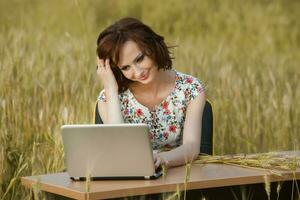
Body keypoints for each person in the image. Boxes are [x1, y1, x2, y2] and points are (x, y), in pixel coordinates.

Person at [96, 17, 206, 169]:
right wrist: (110, 89)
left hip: (179, 178)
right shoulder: (107, 99)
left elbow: (192, 147)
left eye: (140, 59)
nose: (138, 72)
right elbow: (119, 149)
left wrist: (162, 159)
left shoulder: (190, 89)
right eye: (125, 68)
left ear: (152, 47)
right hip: (128, 184)